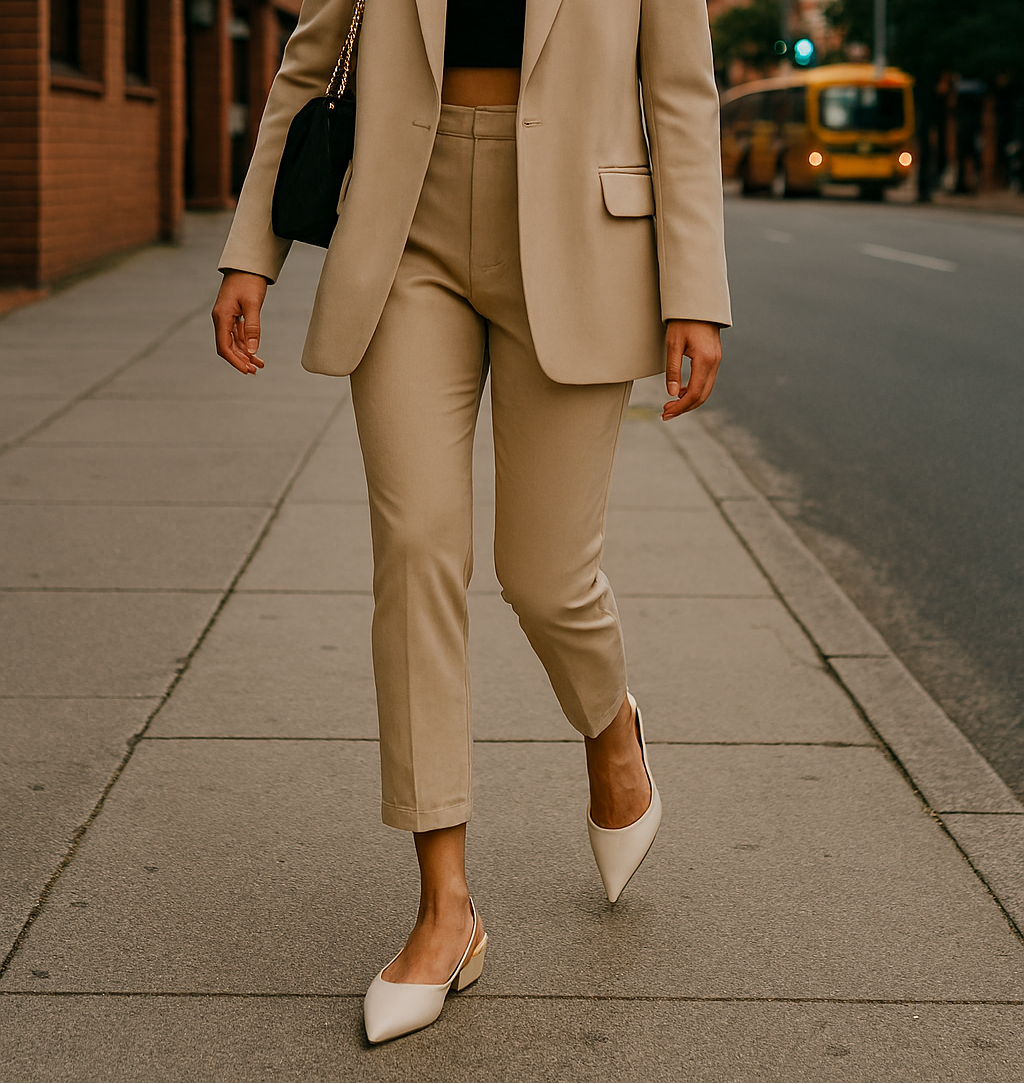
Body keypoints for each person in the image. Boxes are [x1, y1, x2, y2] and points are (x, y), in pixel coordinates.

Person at [212, 0, 730, 1044]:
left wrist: (696, 287)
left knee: (544, 574)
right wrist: (249, 251)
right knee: (414, 552)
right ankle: (445, 909)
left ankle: (609, 727)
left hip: (583, 236)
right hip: (404, 230)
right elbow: (310, 64)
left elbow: (679, 97)